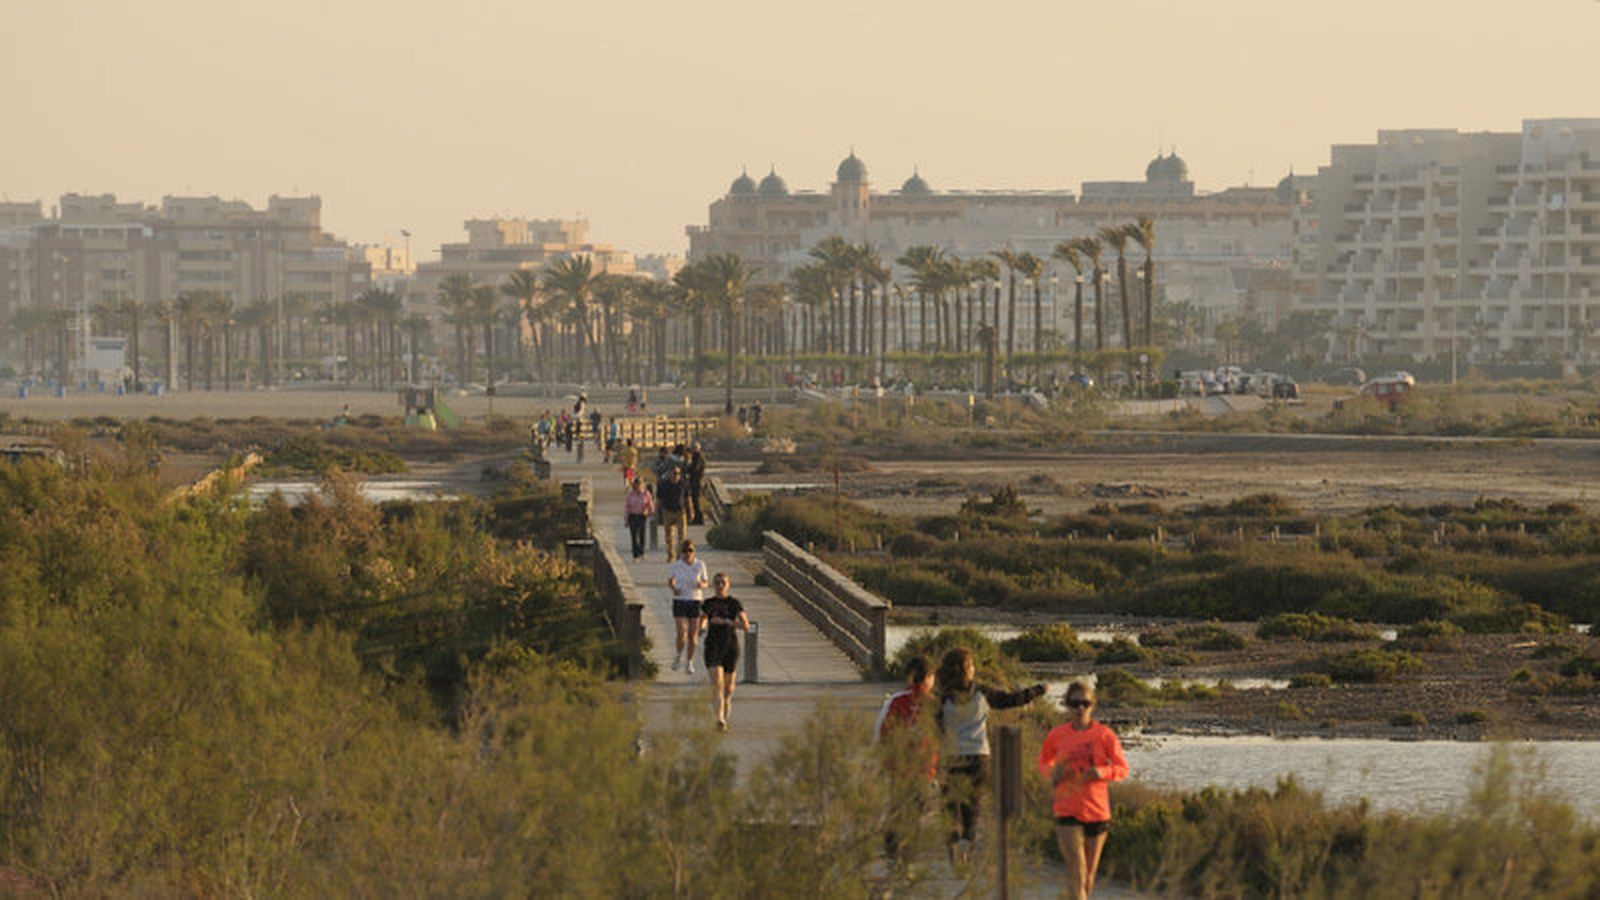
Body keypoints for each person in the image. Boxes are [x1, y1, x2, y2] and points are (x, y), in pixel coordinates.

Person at [935, 646, 1045, 866]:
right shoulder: (981, 693)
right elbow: (1011, 700)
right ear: (967, 670)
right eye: (972, 665)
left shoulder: (942, 699)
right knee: (972, 807)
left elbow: (936, 729)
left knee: (950, 807)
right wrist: (1037, 690)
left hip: (951, 757)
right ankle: (966, 844)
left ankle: (955, 845)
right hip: (978, 757)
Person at [1039, 682, 1129, 899]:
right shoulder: (1057, 734)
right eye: (1074, 703)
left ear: (1092, 706)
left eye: (1085, 704)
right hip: (1066, 807)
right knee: (1076, 868)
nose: (1080, 708)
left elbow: (1122, 768)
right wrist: (1053, 773)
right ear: (1067, 706)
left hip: (1097, 810)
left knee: (1088, 875)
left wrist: (1101, 772)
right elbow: (1043, 761)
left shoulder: (1104, 735)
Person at [875, 655, 938, 866]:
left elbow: (881, 731)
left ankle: (892, 850)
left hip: (898, 766)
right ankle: (909, 855)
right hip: (924, 768)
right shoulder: (934, 704)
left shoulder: (895, 701)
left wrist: (883, 759)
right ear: (929, 678)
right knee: (917, 810)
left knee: (897, 806)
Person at [698, 572, 749, 730]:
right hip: (713, 645)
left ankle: (725, 704)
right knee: (717, 685)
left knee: (728, 689)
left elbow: (745, 625)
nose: (720, 586)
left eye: (723, 583)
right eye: (717, 583)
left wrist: (727, 621)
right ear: (713, 585)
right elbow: (703, 618)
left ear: (728, 585)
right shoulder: (707, 603)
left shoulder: (734, 603)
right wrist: (702, 628)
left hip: (730, 645)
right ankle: (719, 719)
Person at [666, 540, 709, 673]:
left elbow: (706, 582)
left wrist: (701, 585)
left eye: (690, 550)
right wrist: (673, 588)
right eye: (684, 551)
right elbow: (670, 580)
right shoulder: (676, 565)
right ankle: (678, 655)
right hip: (680, 599)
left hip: (695, 599)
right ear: (681, 552)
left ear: (694, 551)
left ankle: (689, 661)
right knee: (681, 633)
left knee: (692, 635)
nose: (687, 554)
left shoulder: (700, 564)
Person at [656, 467, 688, 560]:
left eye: (678, 473)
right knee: (669, 536)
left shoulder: (683, 484)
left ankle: (679, 556)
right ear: (670, 474)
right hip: (668, 511)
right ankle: (671, 554)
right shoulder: (663, 484)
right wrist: (657, 511)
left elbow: (688, 497)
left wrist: (691, 509)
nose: (676, 475)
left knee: (682, 535)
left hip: (680, 512)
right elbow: (659, 499)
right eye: (674, 473)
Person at [624, 476, 655, 560]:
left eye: (640, 484)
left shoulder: (646, 493)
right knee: (634, 536)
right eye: (637, 484)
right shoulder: (630, 494)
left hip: (642, 516)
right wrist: (626, 519)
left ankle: (642, 552)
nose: (638, 486)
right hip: (632, 516)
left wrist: (650, 512)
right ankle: (635, 554)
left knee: (642, 534)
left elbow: (650, 504)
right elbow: (627, 507)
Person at [686, 443, 707, 525]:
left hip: (696, 482)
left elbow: (694, 469)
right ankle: (697, 518)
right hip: (696, 482)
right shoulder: (699, 458)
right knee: (695, 501)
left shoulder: (698, 458)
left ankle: (699, 519)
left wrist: (688, 468)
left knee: (696, 501)